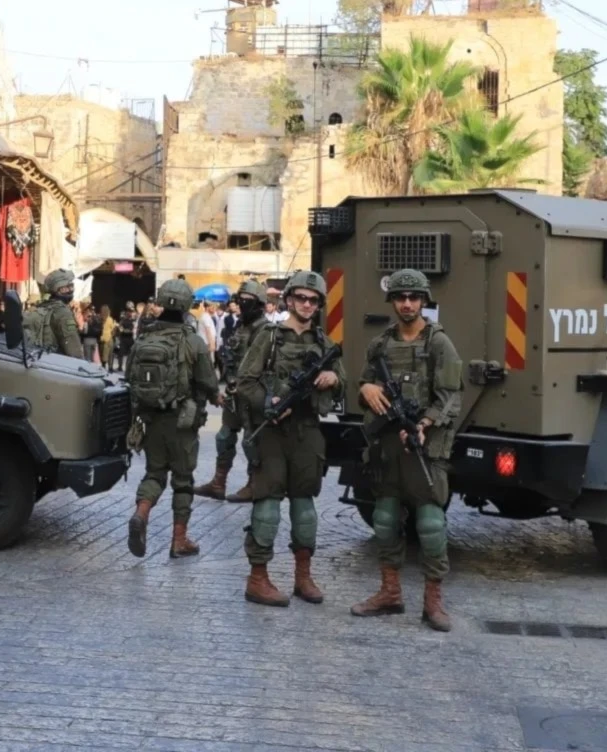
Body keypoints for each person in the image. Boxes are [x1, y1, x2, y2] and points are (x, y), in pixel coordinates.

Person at [350, 268, 463, 633]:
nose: (408, 304)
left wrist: (423, 424)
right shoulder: (380, 345)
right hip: (387, 450)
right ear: (393, 302)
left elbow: (451, 397)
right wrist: (366, 389)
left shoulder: (438, 344)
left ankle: (433, 602)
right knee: (384, 521)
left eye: (414, 297)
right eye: (401, 297)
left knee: (430, 524)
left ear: (424, 301)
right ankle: (390, 592)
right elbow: (365, 383)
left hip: (424, 449)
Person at [237, 271, 344, 607]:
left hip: (307, 431)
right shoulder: (269, 337)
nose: (307, 305)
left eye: (313, 300)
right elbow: (245, 383)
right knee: (267, 504)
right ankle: (258, 578)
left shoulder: (325, 344)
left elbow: (343, 379)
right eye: (300, 298)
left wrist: (333, 377)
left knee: (304, 506)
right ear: (289, 300)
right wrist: (269, 404)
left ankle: (303, 576)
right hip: (271, 432)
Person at [127, 279, 221, 560]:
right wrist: (217, 396)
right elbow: (208, 381)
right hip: (182, 422)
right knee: (183, 480)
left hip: (150, 419)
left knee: (155, 473)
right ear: (184, 306)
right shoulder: (193, 341)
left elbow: (130, 377)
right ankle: (179, 540)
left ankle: (141, 513)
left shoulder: (143, 339)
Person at [195, 281, 269, 503]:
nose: (241, 304)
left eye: (247, 301)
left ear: (259, 304)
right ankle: (218, 482)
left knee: (251, 440)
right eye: (240, 300)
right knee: (224, 436)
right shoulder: (242, 326)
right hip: (235, 391)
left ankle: (254, 484)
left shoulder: (264, 330)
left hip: (252, 394)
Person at [22, 269, 83, 358]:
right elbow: (74, 349)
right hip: (58, 364)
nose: (71, 290)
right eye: (68, 287)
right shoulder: (62, 312)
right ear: (59, 289)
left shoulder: (44, 306)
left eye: (72, 286)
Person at [115, 301, 137, 370]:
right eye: (128, 309)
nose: (129, 311)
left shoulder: (135, 314)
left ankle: (130, 367)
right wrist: (121, 329)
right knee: (120, 353)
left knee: (131, 354)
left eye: (131, 310)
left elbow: (136, 324)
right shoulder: (123, 314)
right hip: (123, 336)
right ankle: (120, 366)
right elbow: (120, 324)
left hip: (131, 337)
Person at [99, 305, 117, 371]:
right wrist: (112, 335)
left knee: (102, 354)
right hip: (109, 339)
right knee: (110, 354)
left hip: (102, 340)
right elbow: (113, 329)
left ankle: (103, 366)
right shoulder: (110, 319)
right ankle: (110, 368)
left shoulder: (100, 319)